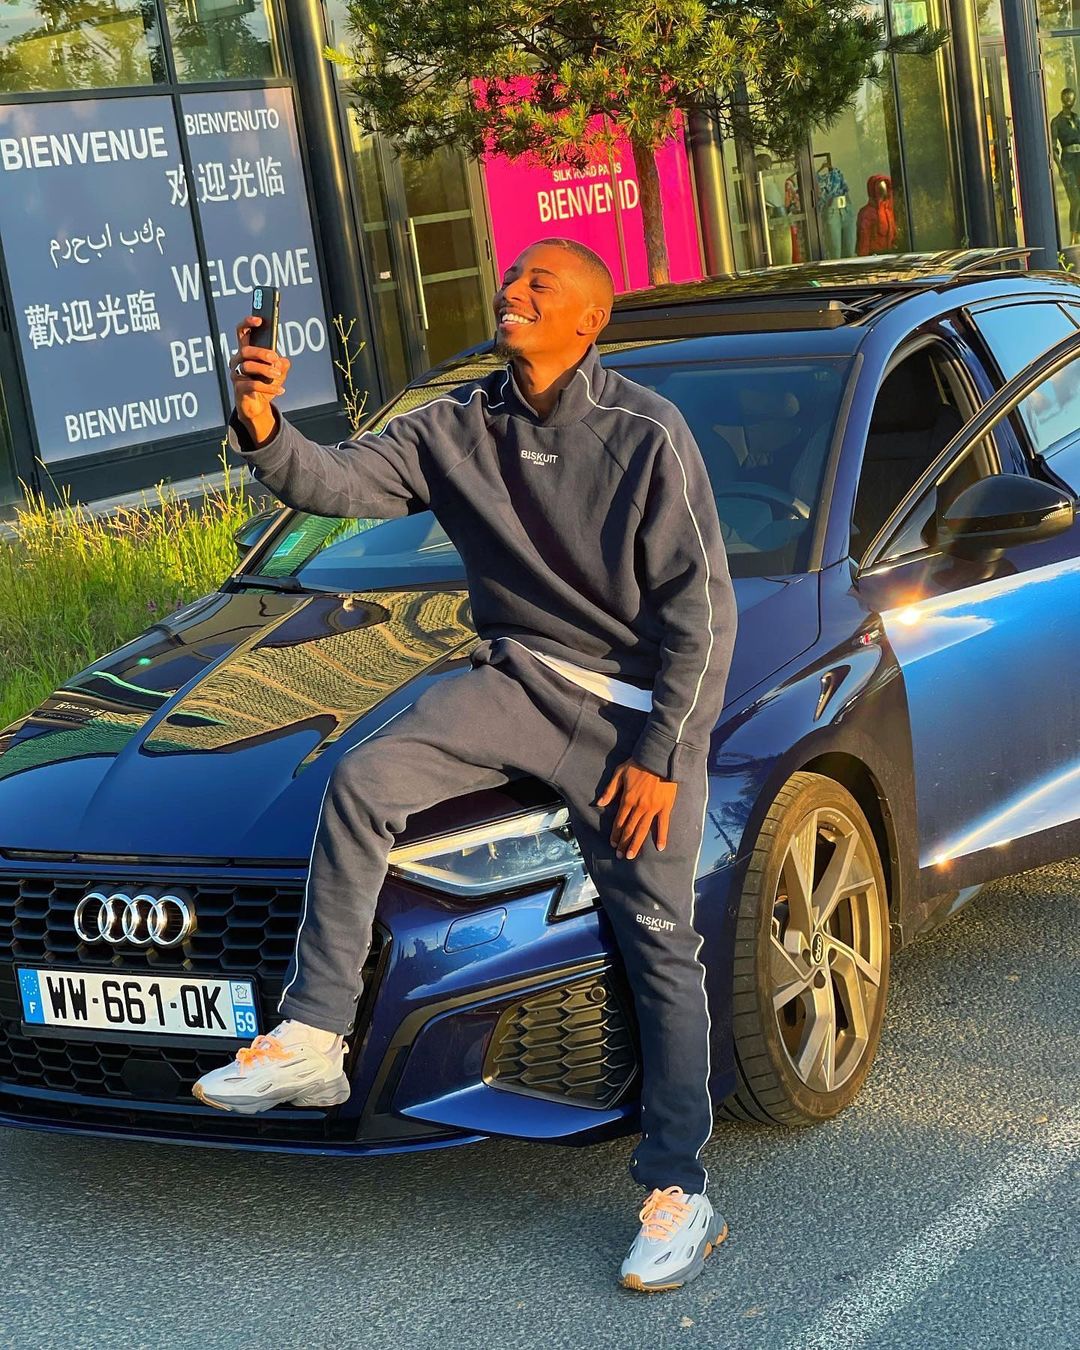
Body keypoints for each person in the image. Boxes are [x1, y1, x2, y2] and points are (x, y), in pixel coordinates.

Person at [193, 237, 738, 1293]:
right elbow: (339, 480)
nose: (512, 289)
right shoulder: (458, 424)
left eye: (540, 283)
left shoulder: (647, 433)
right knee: (364, 780)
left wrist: (664, 756)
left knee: (660, 946)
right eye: (512, 276)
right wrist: (262, 423)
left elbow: (701, 615)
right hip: (519, 683)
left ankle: (679, 1189)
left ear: (589, 320)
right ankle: (313, 1036)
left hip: (635, 716)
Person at [1051, 87, 1080, 244]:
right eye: (1066, 97)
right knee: (1075, 200)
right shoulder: (1056, 122)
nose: (1069, 100)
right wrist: (1060, 168)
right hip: (1068, 161)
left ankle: (1078, 236)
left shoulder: (1077, 119)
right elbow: (1053, 147)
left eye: (1071, 98)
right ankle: (1072, 238)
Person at [856, 174, 898, 256]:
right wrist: (864, 258)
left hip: (891, 255)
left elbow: (894, 234)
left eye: (885, 188)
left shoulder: (889, 210)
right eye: (879, 189)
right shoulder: (866, 213)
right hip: (874, 256)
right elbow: (864, 239)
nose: (883, 192)